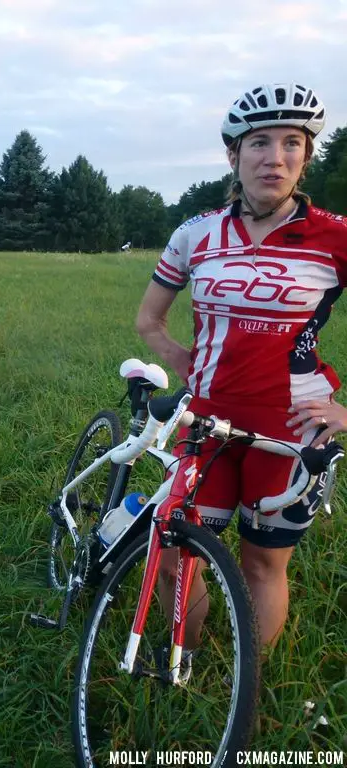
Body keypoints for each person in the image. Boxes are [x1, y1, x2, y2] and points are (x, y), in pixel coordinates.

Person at [135, 82, 347, 656]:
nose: (273, 157)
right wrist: (187, 363)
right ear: (234, 154)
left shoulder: (336, 237)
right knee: (179, 553)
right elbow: (149, 321)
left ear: (306, 155)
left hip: (290, 428)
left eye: (290, 143)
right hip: (206, 423)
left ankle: (245, 682)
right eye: (258, 142)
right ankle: (193, 660)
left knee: (262, 563)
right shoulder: (196, 233)